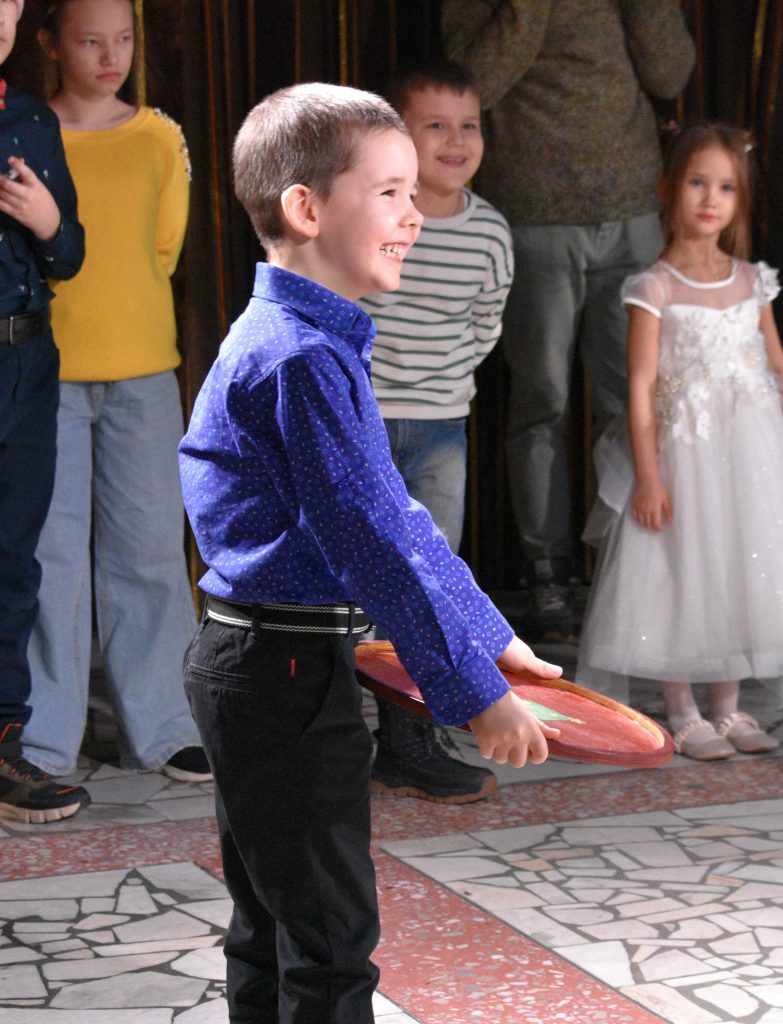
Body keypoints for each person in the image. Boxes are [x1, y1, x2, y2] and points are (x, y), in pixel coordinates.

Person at [179, 82, 563, 1023]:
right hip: (280, 670)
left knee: (279, 927)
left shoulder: (311, 340)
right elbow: (375, 547)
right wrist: (472, 695)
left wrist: (492, 639)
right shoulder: (300, 357)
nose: (414, 214)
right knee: (327, 944)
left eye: (413, 192)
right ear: (305, 209)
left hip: (269, 664)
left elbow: (397, 518)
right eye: (389, 192)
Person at [442, 0, 695, 641]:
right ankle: (546, 576)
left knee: (635, 401)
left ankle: (631, 571)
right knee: (542, 403)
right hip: (534, 211)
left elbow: (670, 72)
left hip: (634, 206)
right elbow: (473, 83)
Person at [22, 0, 210, 783]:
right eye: (90, 41)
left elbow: (164, 248)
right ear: (50, 43)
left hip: (142, 371)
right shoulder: (26, 133)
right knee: (50, 556)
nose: (111, 57)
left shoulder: (159, 137)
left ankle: (164, 727)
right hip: (45, 373)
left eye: (124, 40)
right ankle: (42, 738)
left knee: (152, 550)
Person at [576, 123, 783, 761]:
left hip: (747, 455)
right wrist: (648, 475)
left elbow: (775, 364)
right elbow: (641, 387)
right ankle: (684, 710)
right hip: (682, 456)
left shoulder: (752, 281)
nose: (710, 198)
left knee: (735, 564)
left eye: (726, 187)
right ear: (669, 189)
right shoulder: (654, 287)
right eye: (697, 182)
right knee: (679, 570)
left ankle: (729, 706)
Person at [360, 61, 513, 804]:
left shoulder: (489, 233)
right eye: (435, 126)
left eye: (469, 125)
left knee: (426, 585)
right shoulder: (379, 215)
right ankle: (325, 735)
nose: (456, 141)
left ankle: (407, 742)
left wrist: (440, 383)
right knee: (349, 582)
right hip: (364, 421)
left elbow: (486, 325)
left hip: (442, 427)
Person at [0, 0, 90, 824]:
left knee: (14, 560)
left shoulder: (31, 119)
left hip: (28, 356)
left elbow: (69, 255)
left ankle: (5, 747)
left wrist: (50, 222)